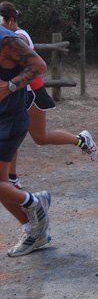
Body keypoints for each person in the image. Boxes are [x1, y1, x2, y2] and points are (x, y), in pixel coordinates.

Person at [0, 2, 98, 191]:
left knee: (40, 137)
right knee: (9, 134)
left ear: (11, 21)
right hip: (17, 94)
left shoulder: (17, 37)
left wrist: (10, 86)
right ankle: (11, 178)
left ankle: (82, 140)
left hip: (31, 93)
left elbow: (35, 66)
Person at [0, 19, 50, 257]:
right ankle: (33, 229)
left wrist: (10, 85)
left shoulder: (6, 40)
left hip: (8, 121)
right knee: (2, 187)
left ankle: (34, 203)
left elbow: (39, 65)